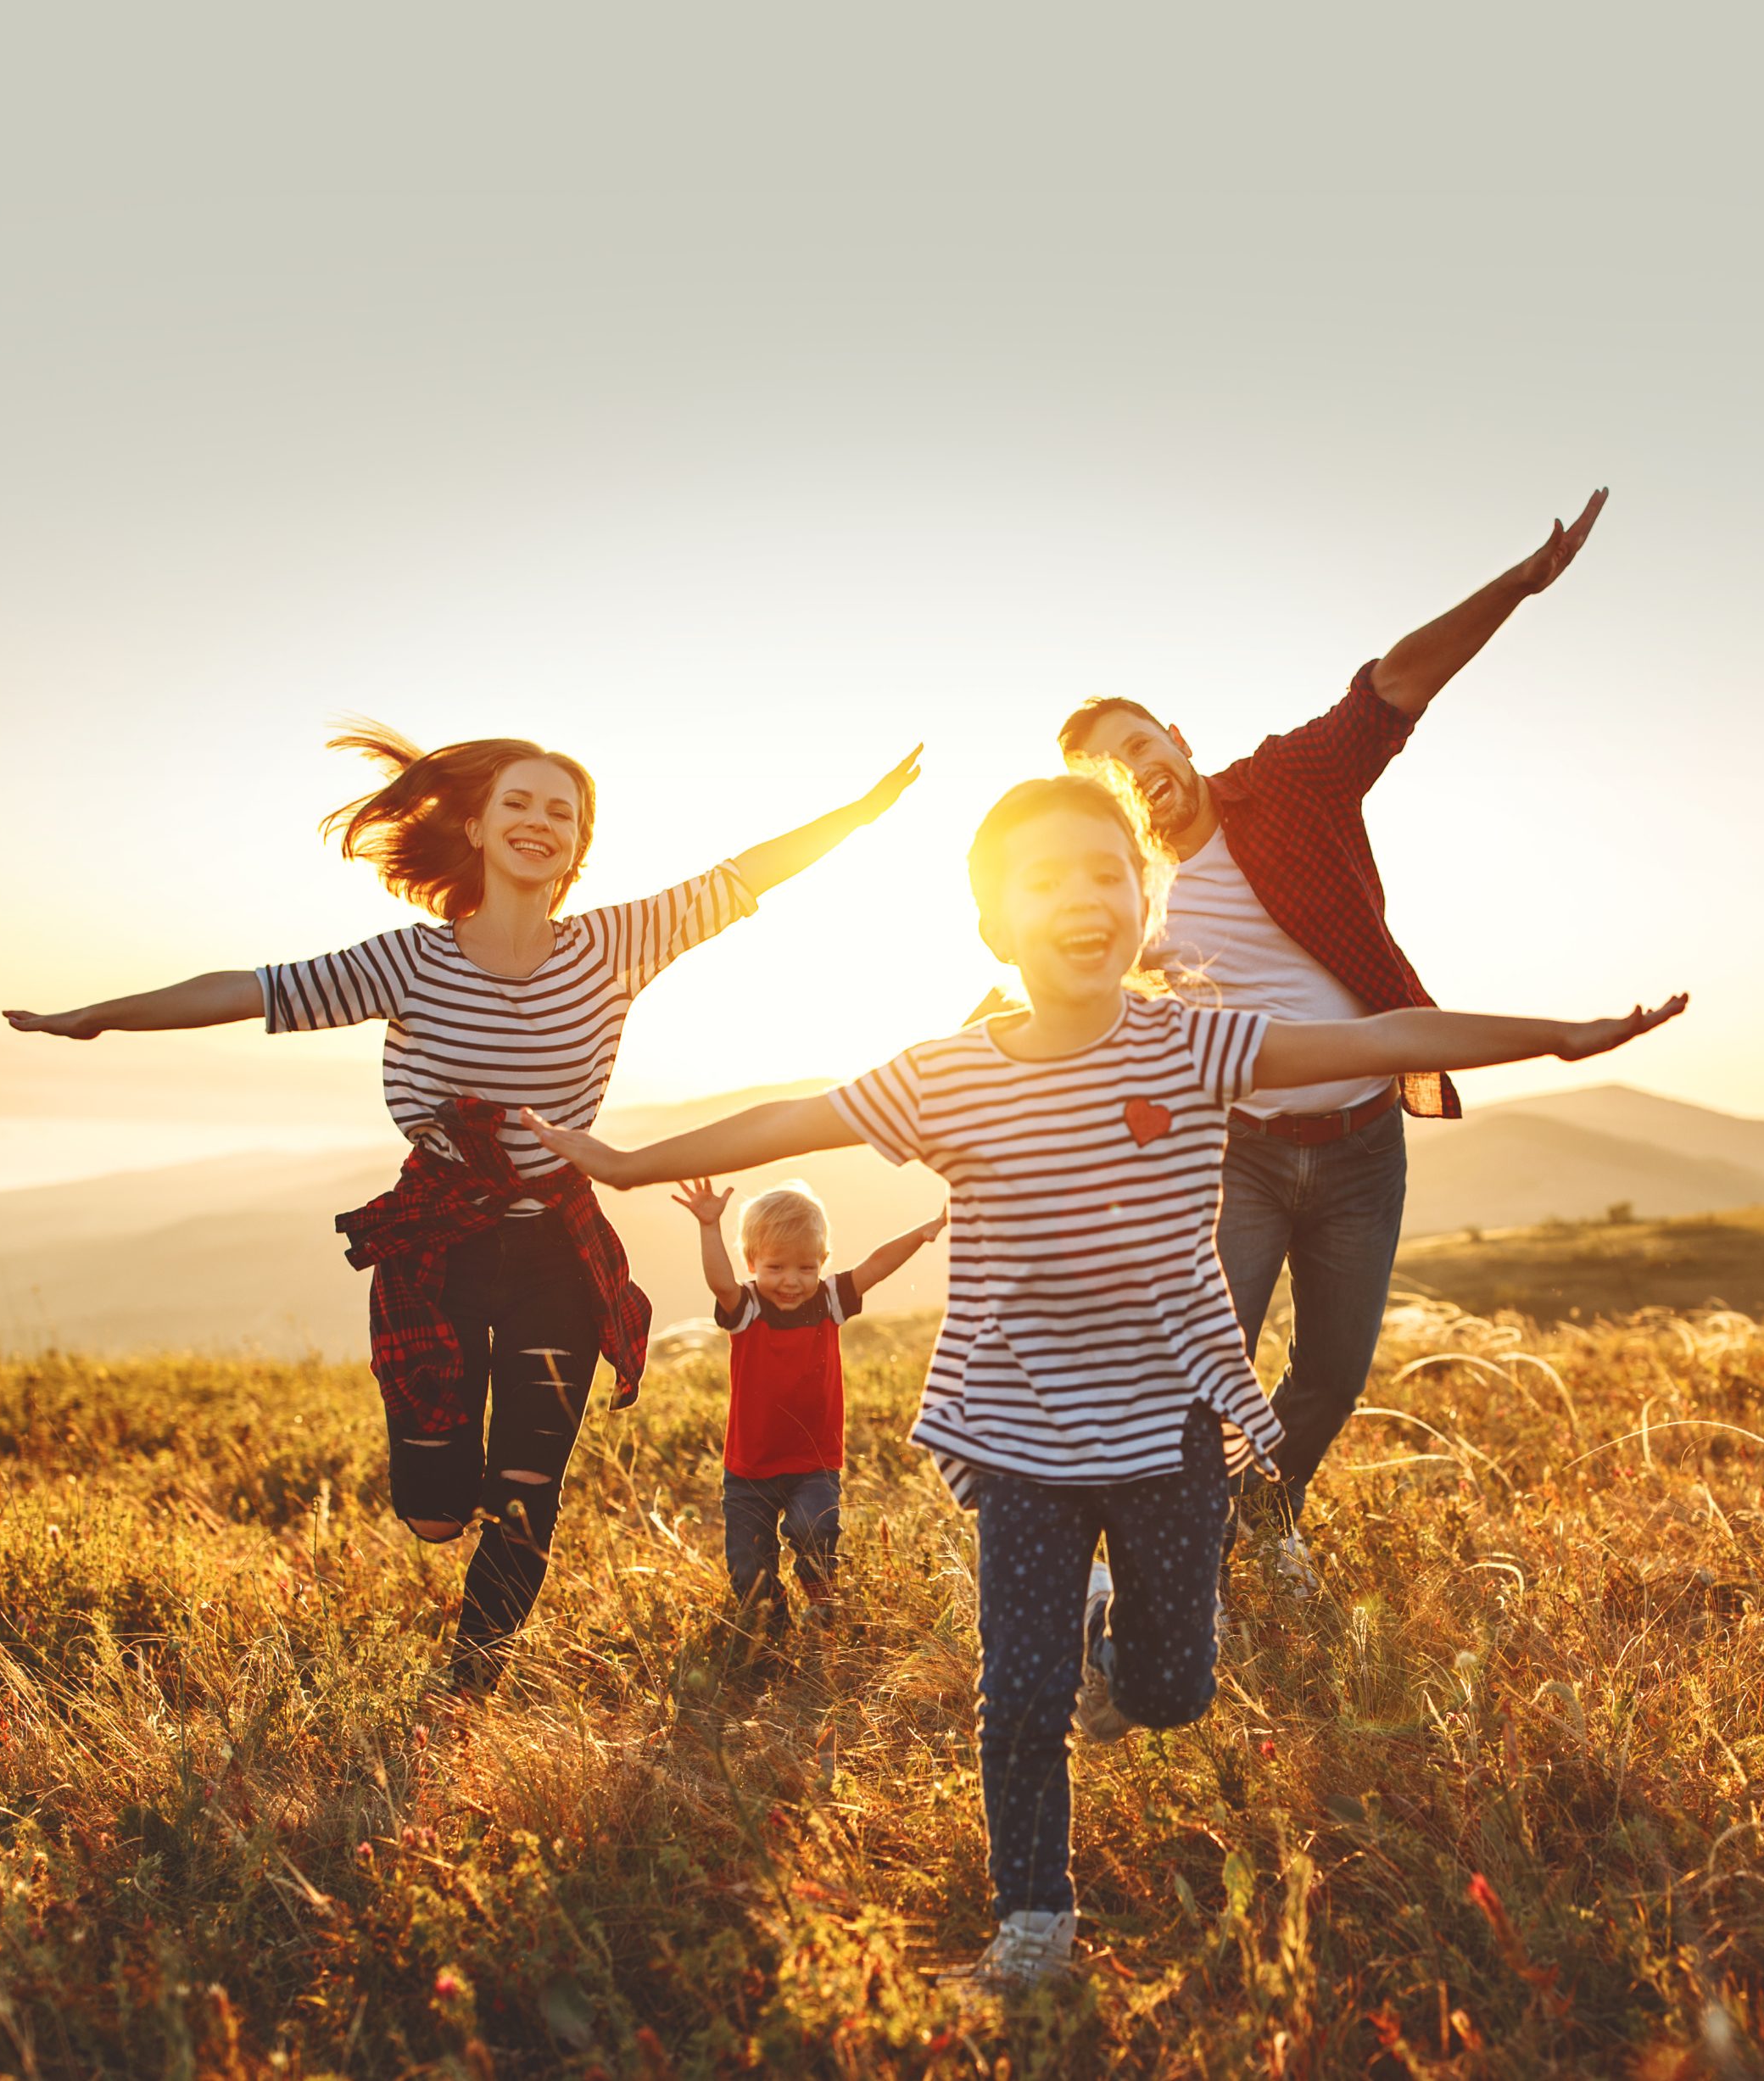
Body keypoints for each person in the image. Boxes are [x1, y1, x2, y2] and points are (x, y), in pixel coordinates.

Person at [513, 765, 1683, 1988]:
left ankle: (1111, 1640)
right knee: (1017, 1694)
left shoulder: (1192, 1042)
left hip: (1174, 1422)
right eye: (1047, 877)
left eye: (1108, 870)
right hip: (1020, 1430)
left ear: (1145, 899)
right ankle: (1033, 1923)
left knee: (1172, 1693)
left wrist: (1555, 1034)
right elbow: (792, 1120)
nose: (1084, 895)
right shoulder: (948, 1072)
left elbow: (1381, 1038)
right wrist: (631, 1159)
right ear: (994, 924)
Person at [3, 725, 921, 1692]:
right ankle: (446, 1486)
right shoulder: (410, 960)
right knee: (437, 1510)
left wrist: (858, 817)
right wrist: (99, 1013)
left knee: (529, 1488)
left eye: (561, 812)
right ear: (478, 825)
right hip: (440, 1246)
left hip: (557, 1252)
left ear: (578, 846)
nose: (539, 823)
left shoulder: (616, 944)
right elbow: (250, 988)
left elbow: (741, 878)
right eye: (518, 805)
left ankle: (467, 1683)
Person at [1058, 490, 1610, 1582]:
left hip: (1361, 1149)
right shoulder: (1129, 897)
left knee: (1332, 1375)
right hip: (1239, 1157)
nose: (1135, 773)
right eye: (1107, 779)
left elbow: (1390, 688)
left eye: (1136, 745)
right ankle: (1175, 1552)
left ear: (1172, 732)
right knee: (1200, 1367)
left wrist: (1516, 584)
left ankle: (1264, 1519)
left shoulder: (1289, 783)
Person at [671, 1177, 943, 1616]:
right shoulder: (748, 1308)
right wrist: (708, 1226)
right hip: (749, 1469)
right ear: (752, 1262)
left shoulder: (830, 1300)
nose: (791, 1282)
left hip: (813, 1462)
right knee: (748, 1572)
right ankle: (770, 1633)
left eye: (805, 1268)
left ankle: (821, 1597)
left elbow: (875, 1264)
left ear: (822, 1262)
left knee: (813, 1530)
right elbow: (721, 1285)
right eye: (775, 1268)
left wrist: (925, 1230)